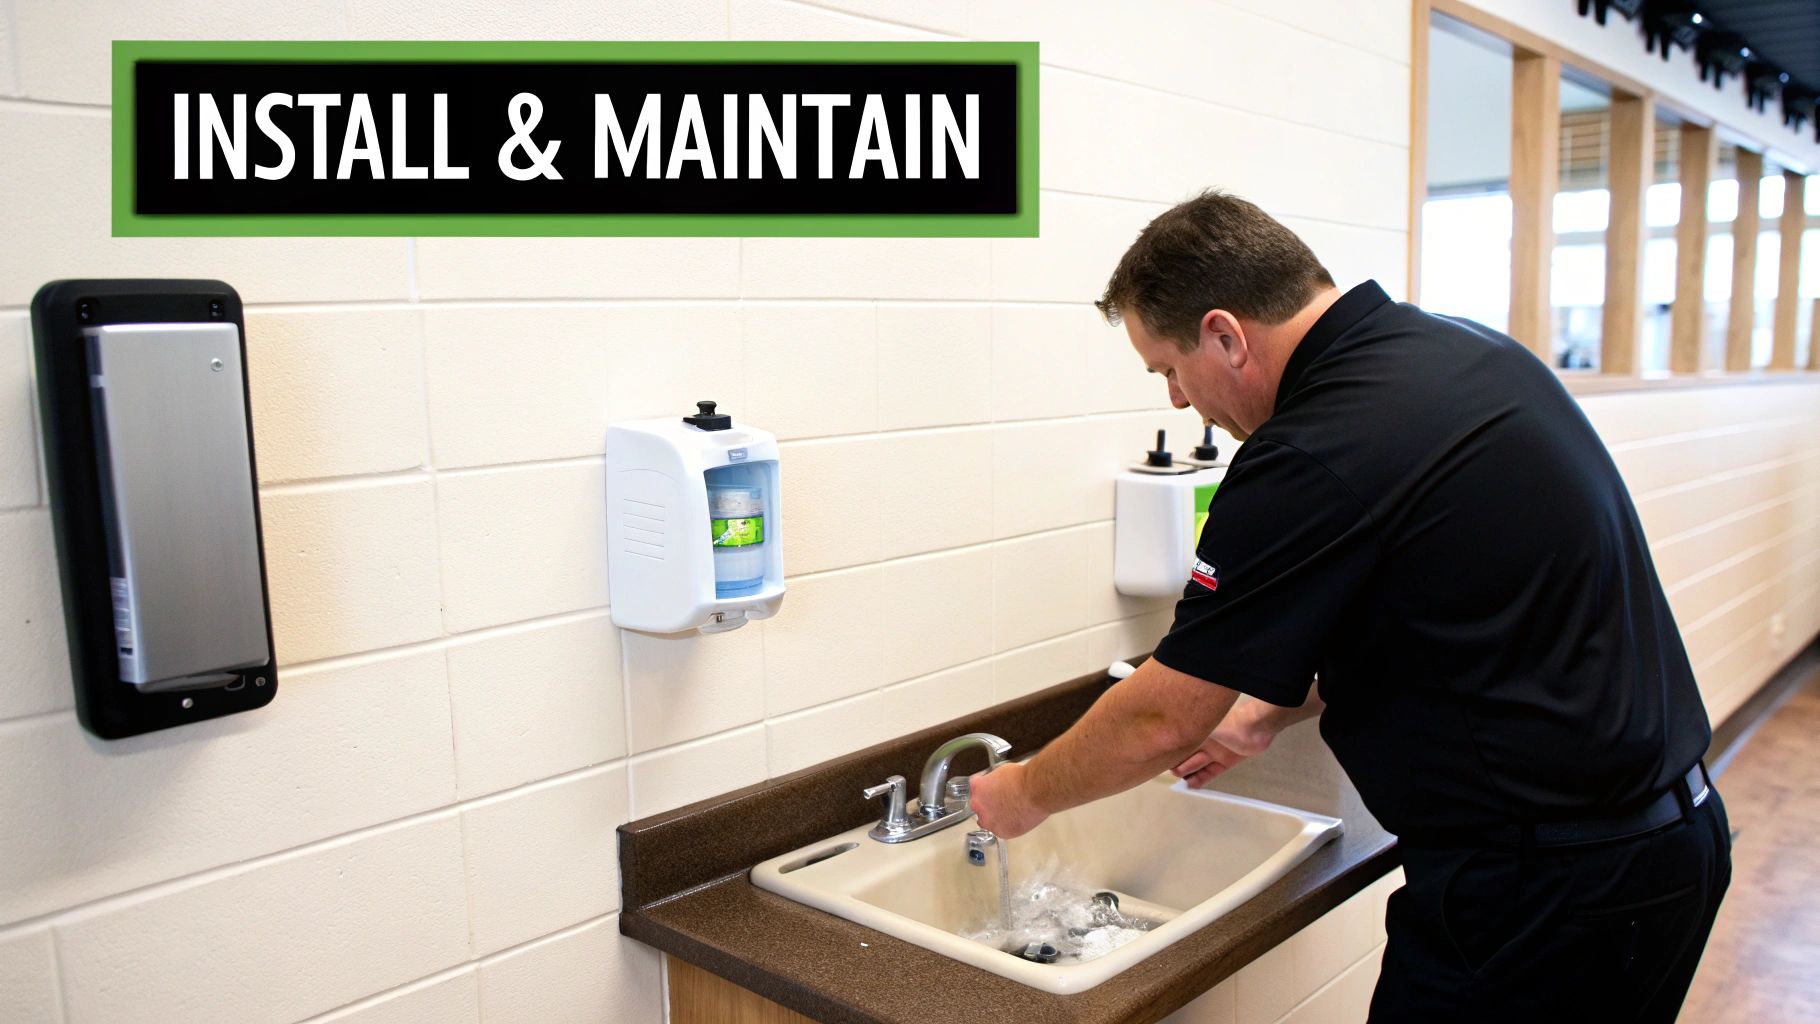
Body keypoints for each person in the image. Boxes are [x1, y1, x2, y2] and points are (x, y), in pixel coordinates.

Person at [966, 190, 1731, 1022]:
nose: (1179, 403)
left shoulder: (1310, 449)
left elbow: (1162, 719)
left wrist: (1023, 792)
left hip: (1550, 893)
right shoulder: (1465, 357)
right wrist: (1264, 711)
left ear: (1225, 334)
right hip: (1663, 844)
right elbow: (1450, 613)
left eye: (1169, 372)